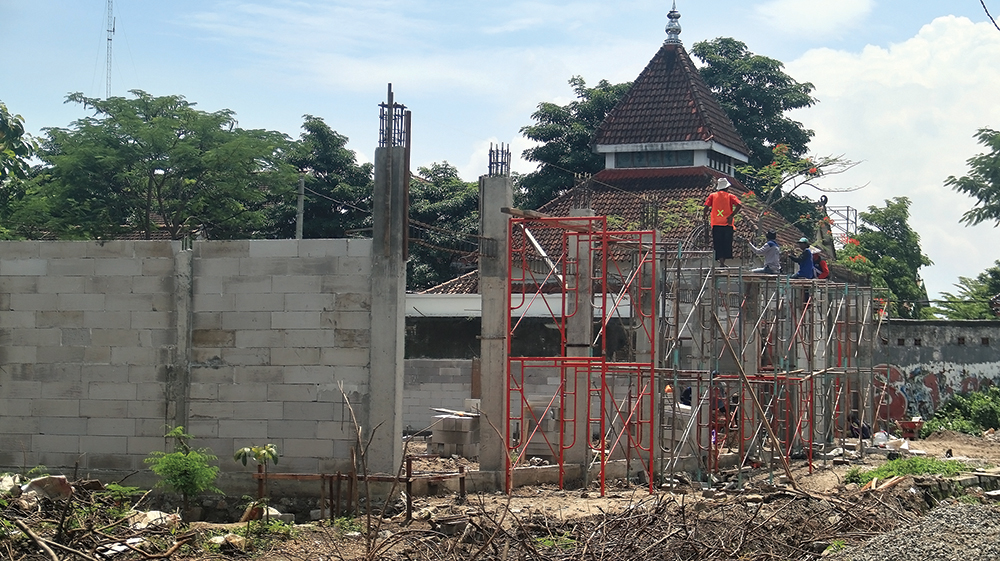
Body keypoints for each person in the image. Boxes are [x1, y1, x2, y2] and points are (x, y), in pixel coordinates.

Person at [702, 177, 742, 268]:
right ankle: (723, 263)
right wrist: (731, 215)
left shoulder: (712, 195)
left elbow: (706, 207)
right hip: (727, 224)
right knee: (726, 243)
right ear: (727, 188)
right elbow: (739, 205)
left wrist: (705, 215)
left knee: (718, 244)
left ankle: (721, 262)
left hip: (716, 224)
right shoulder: (730, 196)